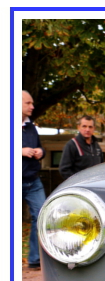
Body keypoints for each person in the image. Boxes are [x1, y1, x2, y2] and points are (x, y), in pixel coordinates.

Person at [21, 91, 46, 271]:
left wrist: (40, 152)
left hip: (33, 181)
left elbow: (40, 146)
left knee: (42, 216)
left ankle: (35, 260)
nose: (32, 106)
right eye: (28, 103)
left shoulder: (31, 127)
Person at [59, 115, 105, 179]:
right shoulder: (72, 145)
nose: (87, 129)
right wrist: (78, 181)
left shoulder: (96, 146)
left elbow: (102, 166)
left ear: (94, 128)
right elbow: (64, 170)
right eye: (84, 126)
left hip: (95, 183)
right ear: (78, 127)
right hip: (80, 184)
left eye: (90, 127)